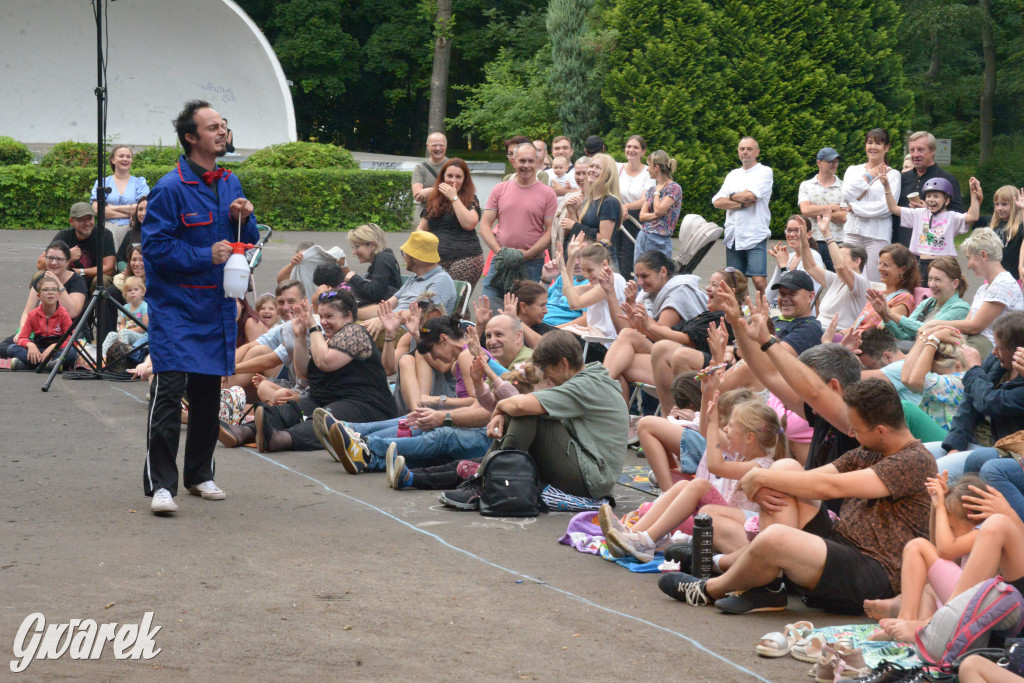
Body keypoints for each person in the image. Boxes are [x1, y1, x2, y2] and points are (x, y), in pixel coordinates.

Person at [659, 378, 936, 616]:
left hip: (874, 572)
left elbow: (833, 488)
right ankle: (767, 586)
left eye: (856, 429)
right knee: (786, 468)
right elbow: (812, 478)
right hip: (841, 544)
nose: (851, 433)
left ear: (881, 431)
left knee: (775, 534)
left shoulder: (914, 461)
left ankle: (709, 589)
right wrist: (768, 476)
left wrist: (760, 476)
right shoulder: (871, 449)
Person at [141, 99, 259, 515]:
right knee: (170, 393)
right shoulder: (169, 187)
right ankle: (161, 484)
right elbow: (154, 247)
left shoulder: (230, 182)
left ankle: (200, 474)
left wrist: (244, 216)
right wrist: (202, 255)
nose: (221, 132)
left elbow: (248, 240)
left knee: (209, 393)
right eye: (212, 128)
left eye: (223, 125)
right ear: (191, 138)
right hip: (176, 307)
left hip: (215, 306)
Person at [605, 373, 785, 563]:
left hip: (740, 527)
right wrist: (707, 393)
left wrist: (714, 421)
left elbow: (716, 465)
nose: (725, 430)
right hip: (728, 517)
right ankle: (633, 535)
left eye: (730, 426)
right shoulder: (744, 452)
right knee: (684, 487)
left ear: (749, 438)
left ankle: (647, 541)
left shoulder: (759, 465)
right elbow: (706, 430)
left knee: (698, 485)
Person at [443, 329, 628, 507]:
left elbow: (520, 405)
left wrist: (499, 409)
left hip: (592, 480)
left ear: (563, 364)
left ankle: (490, 483)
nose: (545, 376)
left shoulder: (585, 385)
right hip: (591, 472)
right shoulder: (589, 376)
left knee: (527, 412)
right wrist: (503, 411)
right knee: (526, 409)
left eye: (545, 369)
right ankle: (487, 479)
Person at [225, 290, 398, 458]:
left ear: (348, 317)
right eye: (321, 316)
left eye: (329, 316)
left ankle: (280, 439)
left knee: (323, 419)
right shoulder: (326, 340)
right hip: (327, 399)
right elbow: (304, 372)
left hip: (367, 404)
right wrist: (300, 336)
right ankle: (245, 431)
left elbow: (325, 362)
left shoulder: (354, 332)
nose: (323, 322)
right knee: (289, 410)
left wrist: (313, 327)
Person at [929, 312, 1024, 480]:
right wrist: (955, 444)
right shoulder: (997, 362)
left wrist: (974, 368)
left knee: (935, 473)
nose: (993, 352)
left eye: (1000, 347)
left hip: (1001, 450)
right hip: (972, 440)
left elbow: (991, 402)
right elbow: (969, 400)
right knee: (921, 454)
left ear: (1018, 350)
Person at [603, 250, 708, 399]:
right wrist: (609, 291)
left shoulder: (678, 292)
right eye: (637, 277)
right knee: (618, 366)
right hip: (664, 354)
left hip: (681, 360)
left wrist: (634, 306)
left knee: (625, 347)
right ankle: (618, 417)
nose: (640, 282)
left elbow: (658, 336)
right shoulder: (648, 294)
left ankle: (599, 385)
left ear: (663, 271)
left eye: (645, 276)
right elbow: (624, 331)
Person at [919, 228, 1024, 356]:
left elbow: (975, 326)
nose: (968, 265)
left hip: (992, 350)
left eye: (969, 258)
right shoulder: (983, 289)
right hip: (974, 344)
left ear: (984, 255)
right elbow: (966, 326)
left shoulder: (1003, 284)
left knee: (929, 353)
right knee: (928, 347)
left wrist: (934, 324)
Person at [479, 143, 557, 308]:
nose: (526, 166)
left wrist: (527, 254)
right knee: (489, 307)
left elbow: (551, 231)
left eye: (530, 161)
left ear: (537, 162)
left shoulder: (548, 193)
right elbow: (484, 226)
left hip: (532, 263)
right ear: (513, 161)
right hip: (500, 261)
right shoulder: (500, 189)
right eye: (522, 161)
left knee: (526, 313)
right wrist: (501, 253)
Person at [712, 137, 774, 295]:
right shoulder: (733, 175)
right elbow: (717, 202)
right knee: (736, 283)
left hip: (755, 234)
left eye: (749, 149)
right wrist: (740, 203)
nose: (745, 152)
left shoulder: (765, 172)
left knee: (759, 280)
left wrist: (731, 197)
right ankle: (743, 316)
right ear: (738, 152)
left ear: (757, 152)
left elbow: (750, 196)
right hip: (733, 236)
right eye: (742, 149)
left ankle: (771, 313)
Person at [360, 231, 457, 329]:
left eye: (405, 254)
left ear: (415, 258)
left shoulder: (441, 280)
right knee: (349, 325)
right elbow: (385, 308)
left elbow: (422, 314)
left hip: (409, 332)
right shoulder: (414, 278)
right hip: (392, 325)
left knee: (356, 332)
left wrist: (383, 320)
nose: (404, 258)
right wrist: (353, 313)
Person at [883, 173, 981, 269]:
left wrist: (973, 193)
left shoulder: (952, 217)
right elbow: (893, 208)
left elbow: (973, 217)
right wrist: (886, 186)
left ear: (946, 201)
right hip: (923, 263)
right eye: (928, 196)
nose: (931, 199)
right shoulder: (919, 213)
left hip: (944, 265)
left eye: (936, 196)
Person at [842, 128, 901, 282]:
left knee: (874, 281)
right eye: (869, 143)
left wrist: (854, 208)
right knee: (847, 278)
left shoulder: (893, 175)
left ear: (887, 147)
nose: (873, 147)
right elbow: (846, 195)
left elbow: (885, 207)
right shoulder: (853, 170)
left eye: (878, 143)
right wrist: (869, 176)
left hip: (877, 235)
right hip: (852, 231)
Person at [416, 158, 484, 288]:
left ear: (465, 180)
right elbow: (421, 229)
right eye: (450, 176)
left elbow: (469, 224)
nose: (453, 180)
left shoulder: (471, 199)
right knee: (435, 302)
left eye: (458, 177)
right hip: (436, 259)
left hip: (466, 258)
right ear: (443, 177)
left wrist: (454, 198)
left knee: (454, 302)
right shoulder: (434, 199)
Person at [801, 211, 869, 331]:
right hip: (817, 329)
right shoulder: (836, 280)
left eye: (841, 257)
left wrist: (826, 233)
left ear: (857, 261)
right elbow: (810, 267)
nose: (836, 261)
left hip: (837, 336)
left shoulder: (861, 282)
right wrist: (804, 241)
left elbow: (841, 267)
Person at [896, 131, 965, 247]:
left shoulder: (946, 179)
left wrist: (931, 210)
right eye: (912, 150)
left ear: (932, 151)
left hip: (932, 247)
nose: (915, 154)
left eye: (920, 150)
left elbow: (959, 215)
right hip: (902, 247)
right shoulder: (903, 178)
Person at [878, 255, 970, 341]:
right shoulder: (928, 302)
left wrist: (892, 314)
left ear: (955, 283)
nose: (931, 285)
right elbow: (905, 336)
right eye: (930, 279)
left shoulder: (961, 308)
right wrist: (885, 316)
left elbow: (928, 330)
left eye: (938, 280)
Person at [37, 202, 116, 291]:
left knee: (102, 280)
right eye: (81, 220)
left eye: (89, 219)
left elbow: (109, 268)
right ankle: (43, 304)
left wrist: (80, 272)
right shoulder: (64, 235)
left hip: (92, 278)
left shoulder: (104, 234)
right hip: (67, 277)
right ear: (71, 221)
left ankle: (98, 305)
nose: (86, 223)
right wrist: (67, 256)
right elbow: (40, 264)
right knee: (40, 275)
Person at [899, 327, 966, 430]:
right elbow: (906, 378)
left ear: (957, 364)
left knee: (906, 408)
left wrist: (933, 339)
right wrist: (925, 337)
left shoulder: (962, 380)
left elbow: (915, 380)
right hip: (940, 438)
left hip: (953, 442)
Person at [7, 274, 77, 371]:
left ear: (59, 295)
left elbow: (70, 340)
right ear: (39, 296)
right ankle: (50, 366)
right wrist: (30, 345)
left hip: (56, 350)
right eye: (45, 290)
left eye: (54, 290)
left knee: (73, 352)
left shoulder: (64, 315)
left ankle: (30, 365)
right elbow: (22, 337)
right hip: (38, 350)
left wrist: (54, 347)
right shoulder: (32, 315)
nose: (50, 292)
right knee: (11, 348)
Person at [798, 147, 848, 271]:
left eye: (836, 161)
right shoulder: (806, 185)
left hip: (837, 240)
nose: (834, 164)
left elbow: (844, 217)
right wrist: (832, 207)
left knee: (839, 277)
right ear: (819, 163)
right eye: (830, 161)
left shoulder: (844, 187)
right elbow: (805, 210)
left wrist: (816, 210)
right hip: (812, 239)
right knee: (811, 278)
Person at [91, 145, 150, 249]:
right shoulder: (103, 183)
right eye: (121, 156)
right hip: (108, 229)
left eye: (128, 156)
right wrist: (130, 214)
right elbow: (97, 210)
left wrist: (113, 207)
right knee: (109, 262)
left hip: (134, 229)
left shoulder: (140, 183)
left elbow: (144, 207)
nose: (125, 159)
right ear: (112, 160)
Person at [853, 243, 919, 333]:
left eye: (886, 265)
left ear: (903, 269)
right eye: (879, 263)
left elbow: (884, 333)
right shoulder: (878, 294)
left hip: (867, 344)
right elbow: (853, 328)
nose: (880, 268)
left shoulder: (904, 297)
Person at [563, 153, 622, 251]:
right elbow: (580, 232)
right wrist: (571, 211)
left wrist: (574, 225)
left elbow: (604, 240)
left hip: (601, 261)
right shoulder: (589, 199)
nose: (592, 170)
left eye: (598, 167)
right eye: (591, 166)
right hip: (586, 257)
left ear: (608, 174)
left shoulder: (610, 202)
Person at [615, 135, 656, 276]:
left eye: (636, 147)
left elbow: (645, 199)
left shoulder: (648, 173)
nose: (631, 150)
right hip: (616, 216)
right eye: (628, 146)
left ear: (643, 152)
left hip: (635, 219)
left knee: (628, 256)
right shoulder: (617, 168)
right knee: (613, 252)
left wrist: (625, 207)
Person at [765, 215, 823, 308]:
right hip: (779, 312)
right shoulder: (790, 257)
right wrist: (779, 266)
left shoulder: (813, 257)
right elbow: (768, 296)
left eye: (797, 230)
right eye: (789, 230)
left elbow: (794, 294)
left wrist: (783, 266)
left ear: (809, 234)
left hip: (797, 316)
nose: (791, 234)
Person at [635, 150, 683, 262]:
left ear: (656, 167)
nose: (647, 168)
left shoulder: (674, 188)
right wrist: (656, 215)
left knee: (657, 275)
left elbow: (659, 210)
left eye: (649, 165)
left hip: (659, 240)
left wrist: (657, 193)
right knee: (639, 274)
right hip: (643, 236)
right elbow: (642, 216)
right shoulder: (651, 189)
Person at [340, 223, 401, 308]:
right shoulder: (379, 261)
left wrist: (354, 278)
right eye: (353, 247)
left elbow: (375, 293)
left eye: (357, 246)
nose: (354, 252)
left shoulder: (384, 259)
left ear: (372, 244)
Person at [101, 275, 149, 361]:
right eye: (129, 290)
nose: (132, 292)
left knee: (124, 332)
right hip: (126, 334)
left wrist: (126, 331)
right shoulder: (126, 307)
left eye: (136, 289)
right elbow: (122, 324)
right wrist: (121, 330)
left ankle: (123, 358)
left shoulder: (144, 306)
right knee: (111, 334)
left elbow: (145, 327)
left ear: (143, 292)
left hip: (143, 337)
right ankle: (103, 357)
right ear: (125, 294)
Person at [987, 185, 1024, 283]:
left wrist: (1023, 209)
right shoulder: (993, 226)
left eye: (1004, 204)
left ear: (1015, 205)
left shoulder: (1019, 227)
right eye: (997, 204)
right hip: (992, 278)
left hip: (1012, 279)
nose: (999, 208)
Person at [411, 131, 448, 215]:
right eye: (434, 145)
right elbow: (418, 195)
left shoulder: (454, 165)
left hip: (450, 213)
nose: (438, 148)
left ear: (446, 146)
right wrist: (446, 190)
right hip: (427, 214)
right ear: (428, 146)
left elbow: (461, 191)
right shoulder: (420, 168)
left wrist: (428, 191)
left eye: (441, 145)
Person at [114, 196, 148, 269]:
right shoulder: (131, 233)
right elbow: (120, 258)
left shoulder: (161, 234)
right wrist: (126, 271)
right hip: (131, 274)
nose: (143, 213)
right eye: (140, 210)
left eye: (148, 209)